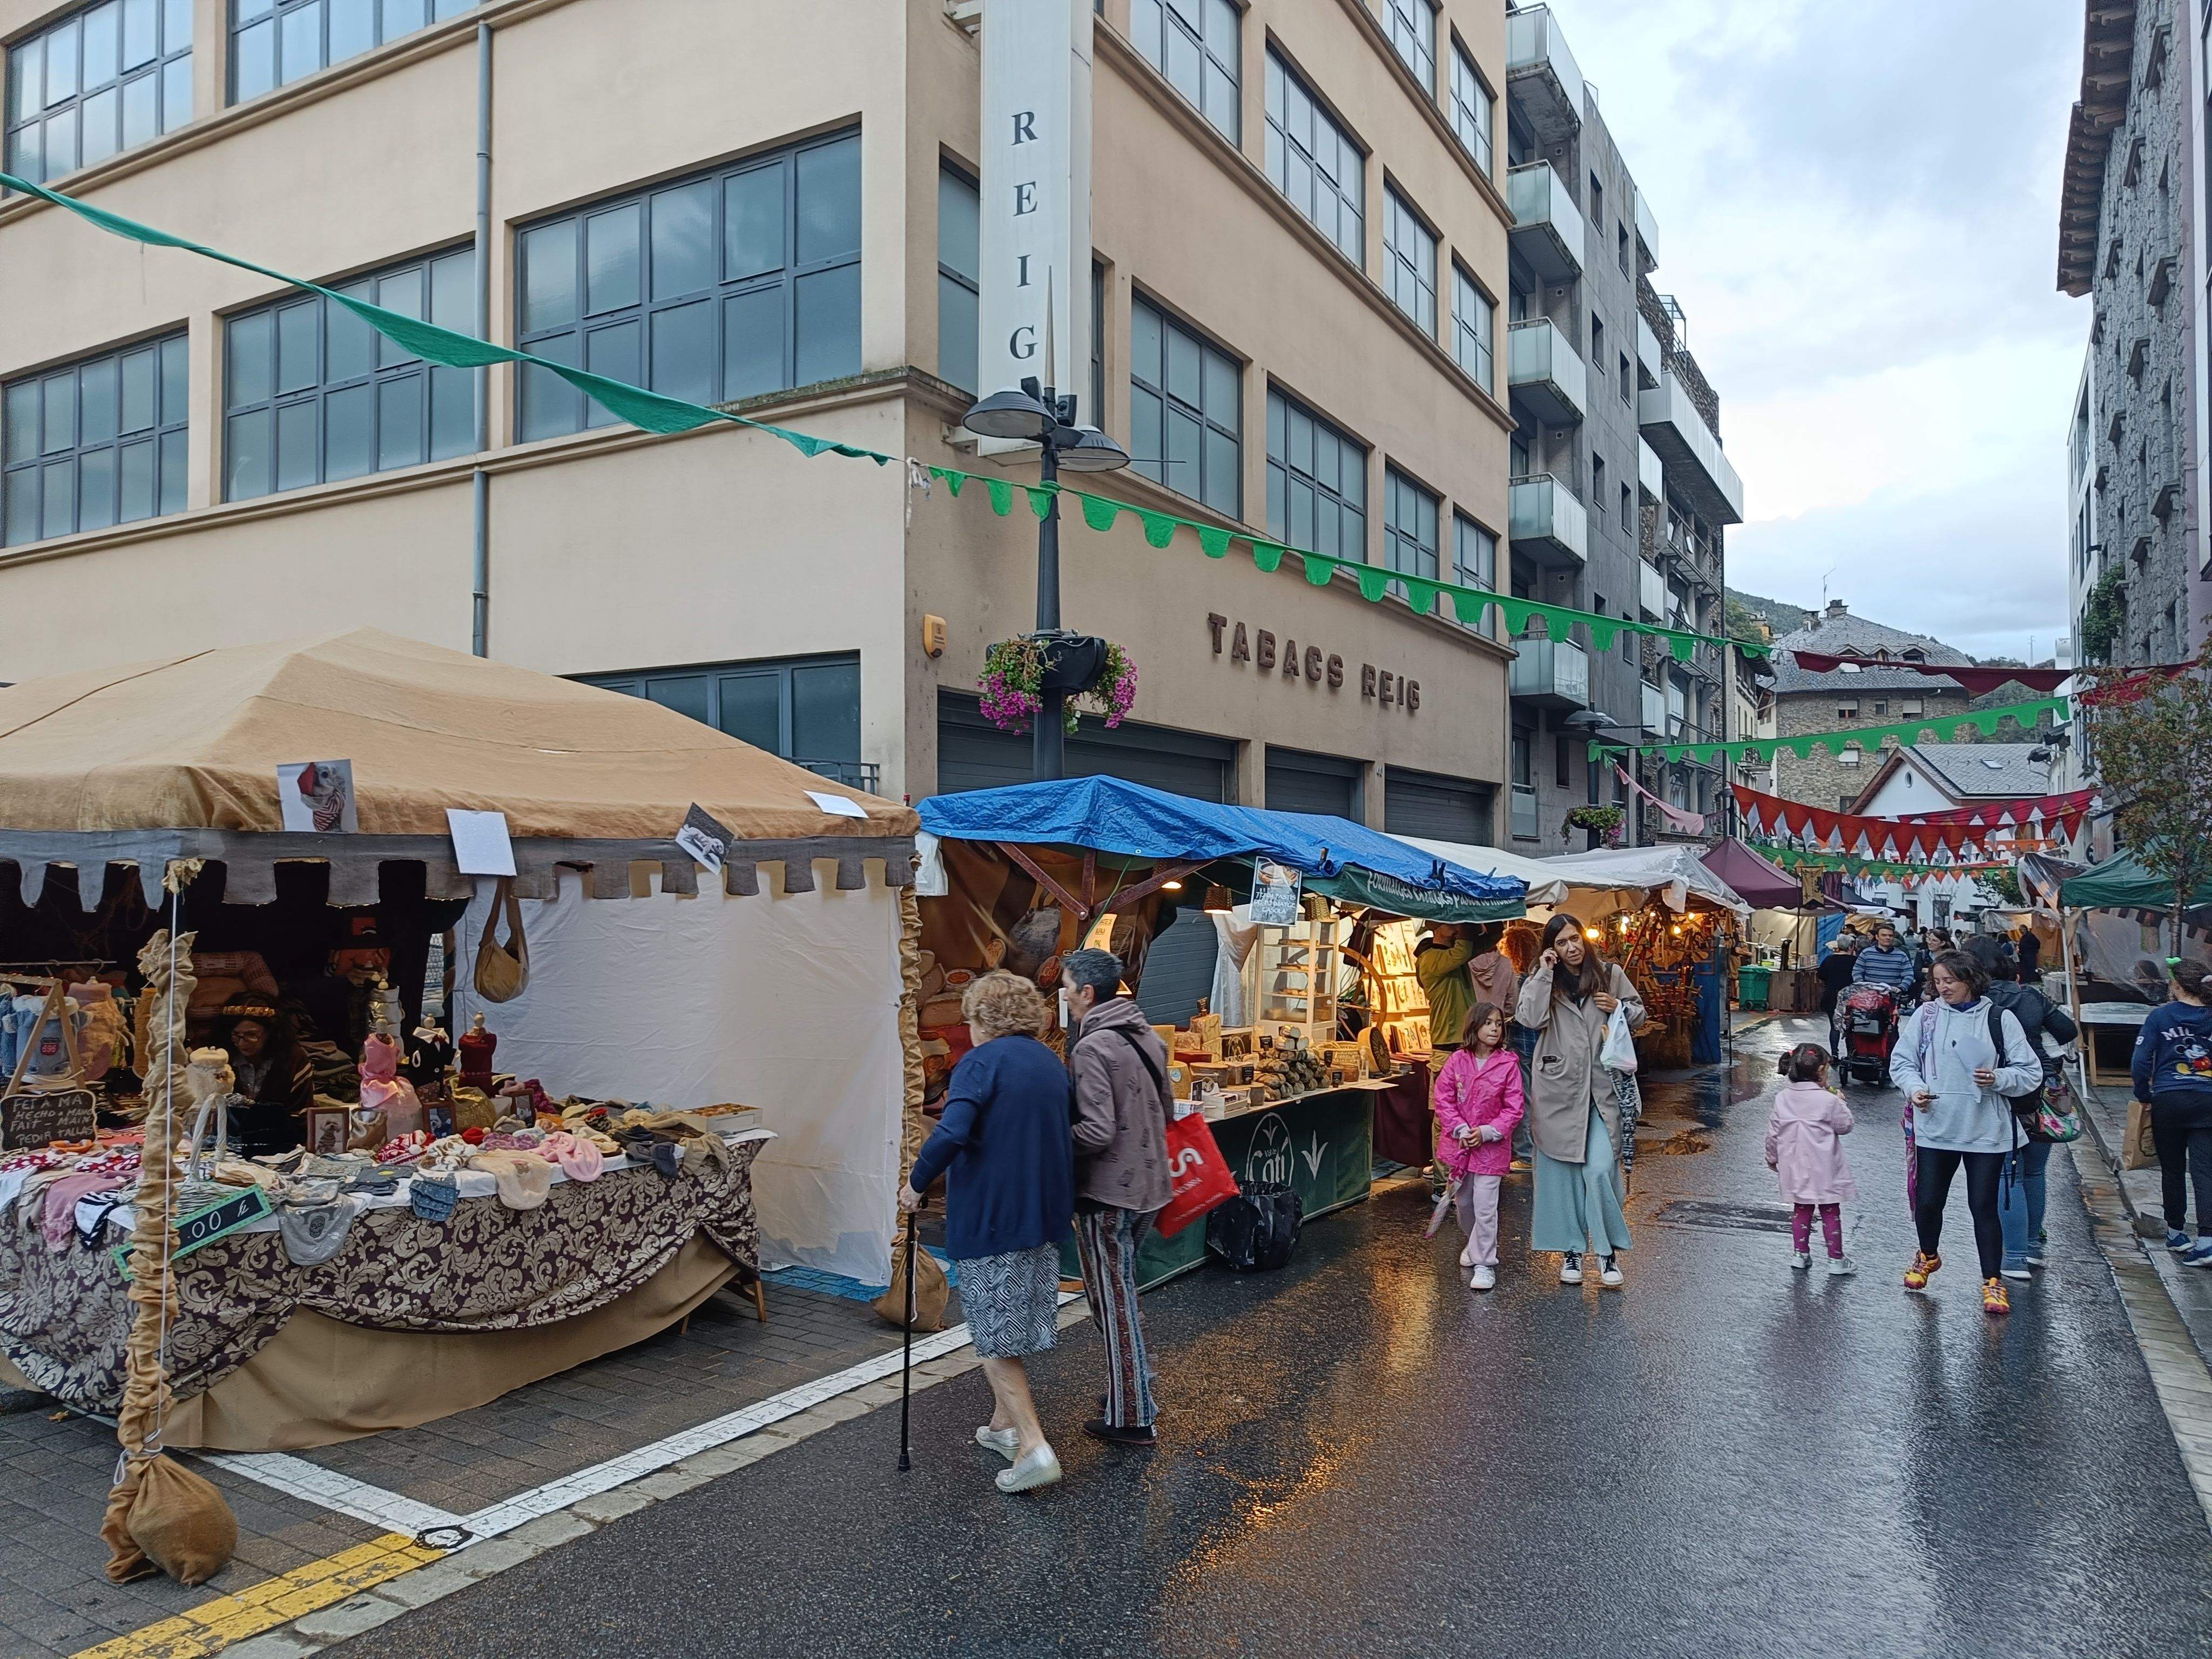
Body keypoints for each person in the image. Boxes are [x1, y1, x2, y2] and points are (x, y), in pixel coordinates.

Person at [900, 971, 1074, 1494]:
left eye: (971, 1019)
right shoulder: (1049, 1062)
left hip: (993, 1215)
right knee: (1011, 1321)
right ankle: (1002, 1427)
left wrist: (915, 1185)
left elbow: (951, 1131)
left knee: (994, 1339)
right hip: (1042, 1214)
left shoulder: (980, 1062)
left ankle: (1032, 1446)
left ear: (983, 1020)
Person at [1889, 951, 2042, 1315]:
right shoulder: (1925, 1017)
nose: (1943, 989)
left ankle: (1992, 1281)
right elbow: (1902, 1061)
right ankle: (1927, 1256)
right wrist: (1914, 1089)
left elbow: (2030, 1072)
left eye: (1950, 982)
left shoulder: (1999, 1018)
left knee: (1983, 1207)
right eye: (1937, 981)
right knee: (1928, 1202)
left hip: (1985, 1129)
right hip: (1935, 1127)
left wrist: (1999, 1078)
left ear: (1970, 980)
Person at [1061, 948, 1171, 1447]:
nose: (1062, 994)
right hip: (1151, 1184)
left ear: (1087, 992)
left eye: (1066, 985)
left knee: (1113, 1298)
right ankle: (1134, 1385)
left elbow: (1097, 1131)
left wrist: (1049, 1137)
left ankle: (1133, 1414)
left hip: (1108, 1191)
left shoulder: (1091, 1048)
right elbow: (1167, 1108)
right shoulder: (1145, 1034)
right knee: (1117, 1293)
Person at [1515, 914, 1643, 1289]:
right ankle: (1571, 1250)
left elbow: (1639, 1013)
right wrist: (1542, 974)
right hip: (1559, 1090)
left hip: (1603, 1091)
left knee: (1600, 1169)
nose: (1570, 948)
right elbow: (1529, 1017)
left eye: (1574, 939)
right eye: (1560, 943)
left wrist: (1618, 1006)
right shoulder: (1543, 981)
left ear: (1584, 940)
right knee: (1563, 1176)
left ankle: (1606, 1253)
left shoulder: (1609, 973)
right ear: (1550, 949)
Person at [1986, 954, 2079, 1280]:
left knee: (2008, 1173)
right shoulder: (2031, 997)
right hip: (2042, 1086)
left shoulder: (1978, 1002)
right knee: (2035, 1171)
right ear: (2014, 973)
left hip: (1998, 1088)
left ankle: (2011, 1251)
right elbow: (2068, 1030)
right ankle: (2032, 1245)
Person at [1432, 1003, 1525, 1292]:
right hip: (1460, 1146)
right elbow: (1443, 1098)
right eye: (1488, 1023)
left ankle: (1485, 1263)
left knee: (1486, 1206)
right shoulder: (1457, 1061)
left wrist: (1487, 1132)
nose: (1495, 1028)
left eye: (1498, 1023)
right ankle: (1474, 1243)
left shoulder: (1508, 1064)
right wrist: (1460, 1128)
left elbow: (1514, 1106)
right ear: (1474, 1027)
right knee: (1466, 1204)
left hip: (1491, 1149)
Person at [2133, 959, 2212, 1264]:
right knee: (2206, 1170)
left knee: (2173, 1168)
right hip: (2208, 1100)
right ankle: (2207, 1239)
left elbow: (2141, 1062)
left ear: (2177, 985)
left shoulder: (2160, 1017)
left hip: (2169, 1098)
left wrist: (2144, 1095)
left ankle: (2177, 1232)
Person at [1765, 1043, 1857, 1276]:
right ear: (1820, 1072)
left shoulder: (1783, 1098)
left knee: (1802, 1209)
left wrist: (1772, 1157)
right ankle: (1836, 1259)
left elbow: (1773, 1132)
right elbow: (1845, 1126)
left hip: (1795, 1165)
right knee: (1830, 1210)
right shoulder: (1829, 1101)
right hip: (1825, 1166)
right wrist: (1841, 1101)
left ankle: (1800, 1254)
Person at [221, 1001, 314, 1156]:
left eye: (252, 1035)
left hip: (282, 1146)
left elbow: (300, 1115)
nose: (242, 1043)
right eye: (236, 1036)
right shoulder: (223, 1059)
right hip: (227, 1146)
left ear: (270, 1032)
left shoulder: (293, 1059)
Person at [1851, 923, 1918, 996]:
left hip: (1892, 996)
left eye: (1891, 936)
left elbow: (1909, 975)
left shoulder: (1901, 955)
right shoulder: (1866, 953)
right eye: (1884, 935)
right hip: (1869, 996)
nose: (1888, 938)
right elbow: (1857, 971)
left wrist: (1901, 988)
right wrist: (1862, 986)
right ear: (1877, 937)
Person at [1818, 934, 1859, 1049]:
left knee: (1834, 1026)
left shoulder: (1829, 960)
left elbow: (1821, 975)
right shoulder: (1855, 961)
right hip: (1851, 997)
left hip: (1831, 996)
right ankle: (1850, 1054)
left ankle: (1835, 1054)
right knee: (1850, 1026)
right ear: (1851, 947)